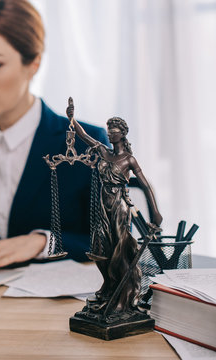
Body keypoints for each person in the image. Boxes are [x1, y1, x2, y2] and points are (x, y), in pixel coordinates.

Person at [0, 0, 109, 272]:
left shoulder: (87, 144)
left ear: (34, 64)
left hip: (61, 309)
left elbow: (115, 242)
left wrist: (43, 241)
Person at [70, 111, 163, 312]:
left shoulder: (129, 159)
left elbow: (145, 186)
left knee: (119, 250)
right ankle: (109, 286)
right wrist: (72, 119)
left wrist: (155, 213)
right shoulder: (104, 152)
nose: (110, 135)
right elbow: (84, 136)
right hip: (103, 205)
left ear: (122, 134)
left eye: (113, 132)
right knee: (101, 249)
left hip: (120, 205)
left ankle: (124, 295)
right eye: (109, 132)